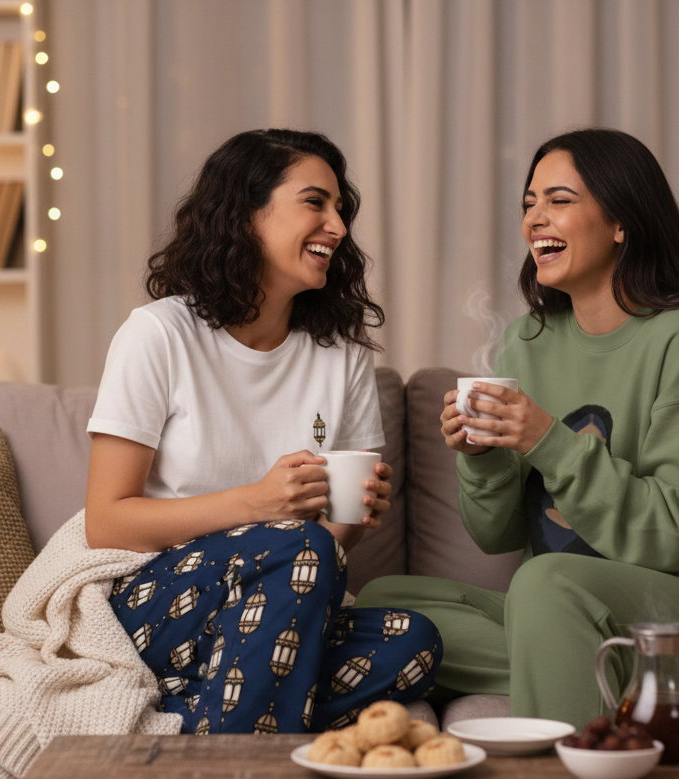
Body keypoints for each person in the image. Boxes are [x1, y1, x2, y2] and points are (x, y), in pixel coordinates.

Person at [356, 128, 679, 731]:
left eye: (559, 200)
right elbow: (497, 535)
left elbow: (678, 535)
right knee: (381, 604)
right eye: (528, 203)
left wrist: (545, 439)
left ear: (621, 221)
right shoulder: (526, 343)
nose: (535, 218)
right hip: (577, 611)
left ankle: (607, 684)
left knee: (546, 585)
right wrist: (481, 455)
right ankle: (631, 689)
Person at [85, 129, 441, 734]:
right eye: (315, 203)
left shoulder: (342, 353)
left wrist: (348, 518)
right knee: (297, 545)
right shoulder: (159, 335)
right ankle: (239, 747)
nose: (338, 226)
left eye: (340, 209)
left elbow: (329, 542)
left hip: (284, 599)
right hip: (157, 603)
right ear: (245, 214)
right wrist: (259, 504)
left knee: (415, 642)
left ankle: (202, 710)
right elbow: (106, 522)